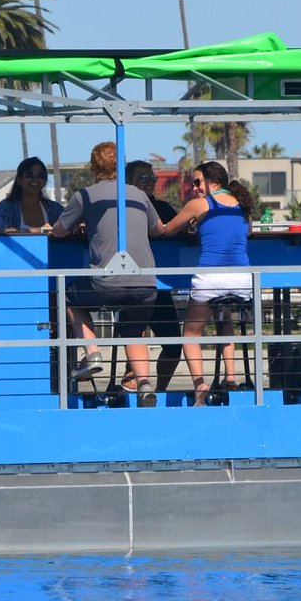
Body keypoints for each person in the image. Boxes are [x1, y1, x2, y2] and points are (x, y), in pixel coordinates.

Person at [50, 142, 161, 407]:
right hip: (146, 285)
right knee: (133, 331)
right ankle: (144, 384)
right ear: (120, 166)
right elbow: (157, 229)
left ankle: (92, 354)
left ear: (93, 166)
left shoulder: (85, 196)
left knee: (69, 296)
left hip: (107, 282)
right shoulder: (138, 194)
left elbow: (58, 231)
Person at [159, 161, 253, 406]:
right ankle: (230, 376)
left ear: (212, 182)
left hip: (211, 278)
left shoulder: (199, 205)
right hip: (243, 280)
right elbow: (248, 231)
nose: (195, 188)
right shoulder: (242, 205)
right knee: (225, 318)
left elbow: (167, 230)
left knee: (190, 333)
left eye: (198, 182)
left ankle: (200, 385)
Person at [124, 160, 182, 391]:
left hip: (160, 284)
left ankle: (159, 390)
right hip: (131, 282)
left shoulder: (165, 208)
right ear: (129, 182)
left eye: (151, 178)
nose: (149, 183)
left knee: (174, 346)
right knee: (134, 333)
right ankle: (133, 377)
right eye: (143, 178)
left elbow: (181, 227)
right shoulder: (122, 209)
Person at [0, 157, 63, 231]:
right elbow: (4, 233)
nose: (35, 179)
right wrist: (31, 231)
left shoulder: (55, 209)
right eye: (29, 174)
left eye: (41, 175)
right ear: (19, 180)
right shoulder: (6, 207)